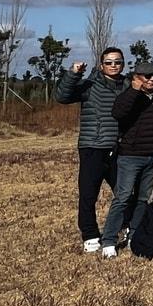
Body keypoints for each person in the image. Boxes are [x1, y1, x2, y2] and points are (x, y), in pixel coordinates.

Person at [55, 47, 126, 253]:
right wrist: (73, 74)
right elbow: (62, 96)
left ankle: (127, 225)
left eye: (118, 62)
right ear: (101, 65)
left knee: (125, 192)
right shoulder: (89, 85)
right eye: (109, 62)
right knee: (88, 194)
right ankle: (90, 235)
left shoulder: (127, 85)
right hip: (92, 147)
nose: (114, 66)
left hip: (117, 147)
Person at [101, 61, 153, 258]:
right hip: (129, 157)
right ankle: (109, 239)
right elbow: (118, 113)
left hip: (152, 156)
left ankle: (134, 233)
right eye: (146, 76)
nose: (151, 80)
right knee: (123, 198)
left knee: (143, 198)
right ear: (136, 78)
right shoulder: (128, 96)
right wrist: (133, 92)